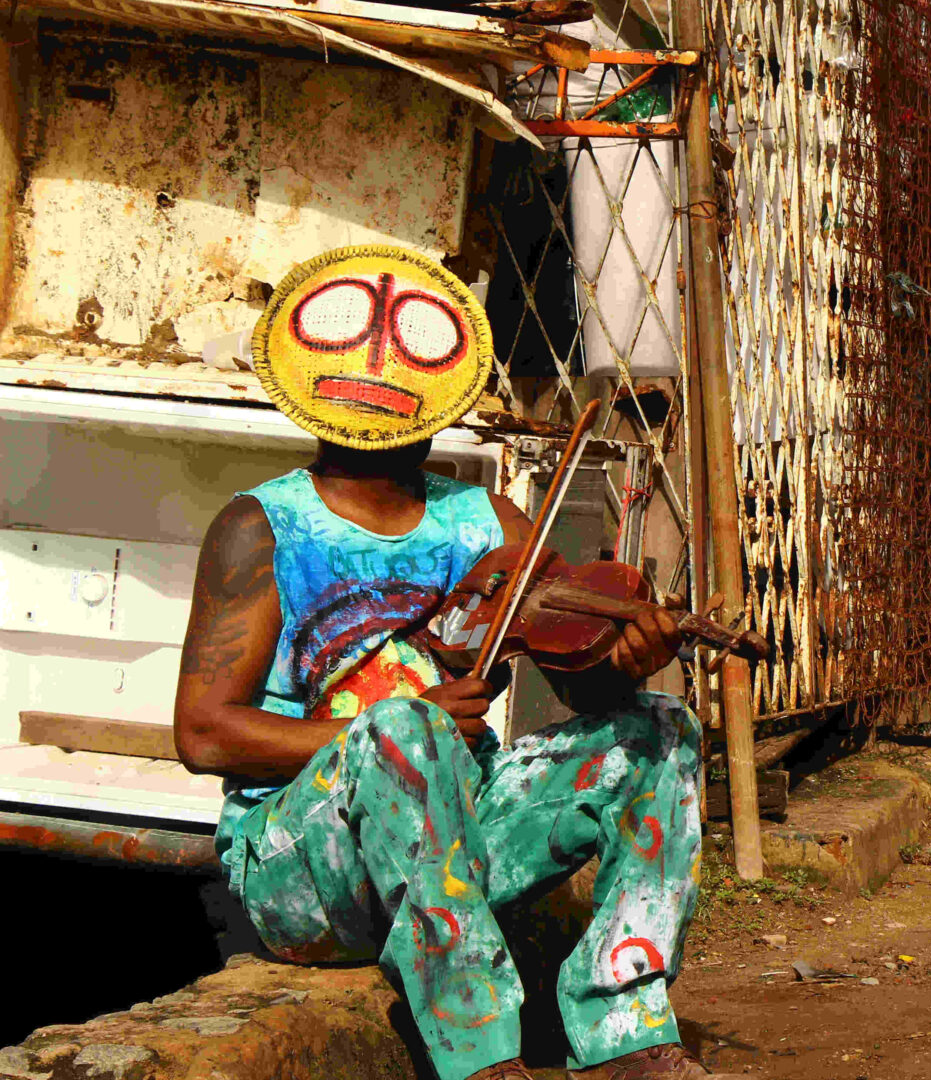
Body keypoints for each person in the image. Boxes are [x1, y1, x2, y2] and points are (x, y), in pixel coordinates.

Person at [173, 246, 727, 1080]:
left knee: (662, 732)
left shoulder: (488, 521)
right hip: (305, 872)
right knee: (405, 727)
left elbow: (579, 683)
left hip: (458, 854)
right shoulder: (261, 526)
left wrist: (630, 664)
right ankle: (479, 1053)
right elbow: (204, 735)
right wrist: (384, 729)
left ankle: (626, 1030)